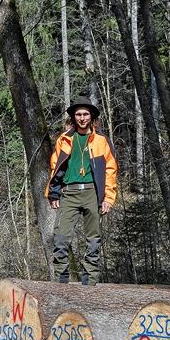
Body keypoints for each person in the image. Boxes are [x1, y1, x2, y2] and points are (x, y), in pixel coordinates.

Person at [45, 96, 118, 285]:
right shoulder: (65, 139)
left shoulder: (101, 141)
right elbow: (55, 166)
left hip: (92, 194)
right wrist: (53, 193)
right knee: (60, 237)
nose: (82, 118)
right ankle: (61, 282)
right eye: (78, 114)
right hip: (69, 193)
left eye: (86, 114)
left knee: (93, 240)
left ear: (91, 116)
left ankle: (90, 283)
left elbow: (110, 169)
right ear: (73, 117)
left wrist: (108, 198)